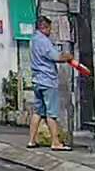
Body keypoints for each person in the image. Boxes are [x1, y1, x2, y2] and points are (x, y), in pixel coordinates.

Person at [28, 16, 74, 151]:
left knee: (37, 112)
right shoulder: (44, 41)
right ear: (44, 27)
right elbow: (56, 57)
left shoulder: (33, 40)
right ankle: (55, 142)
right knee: (51, 113)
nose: (51, 31)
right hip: (48, 80)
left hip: (37, 80)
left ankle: (31, 141)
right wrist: (68, 57)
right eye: (50, 29)